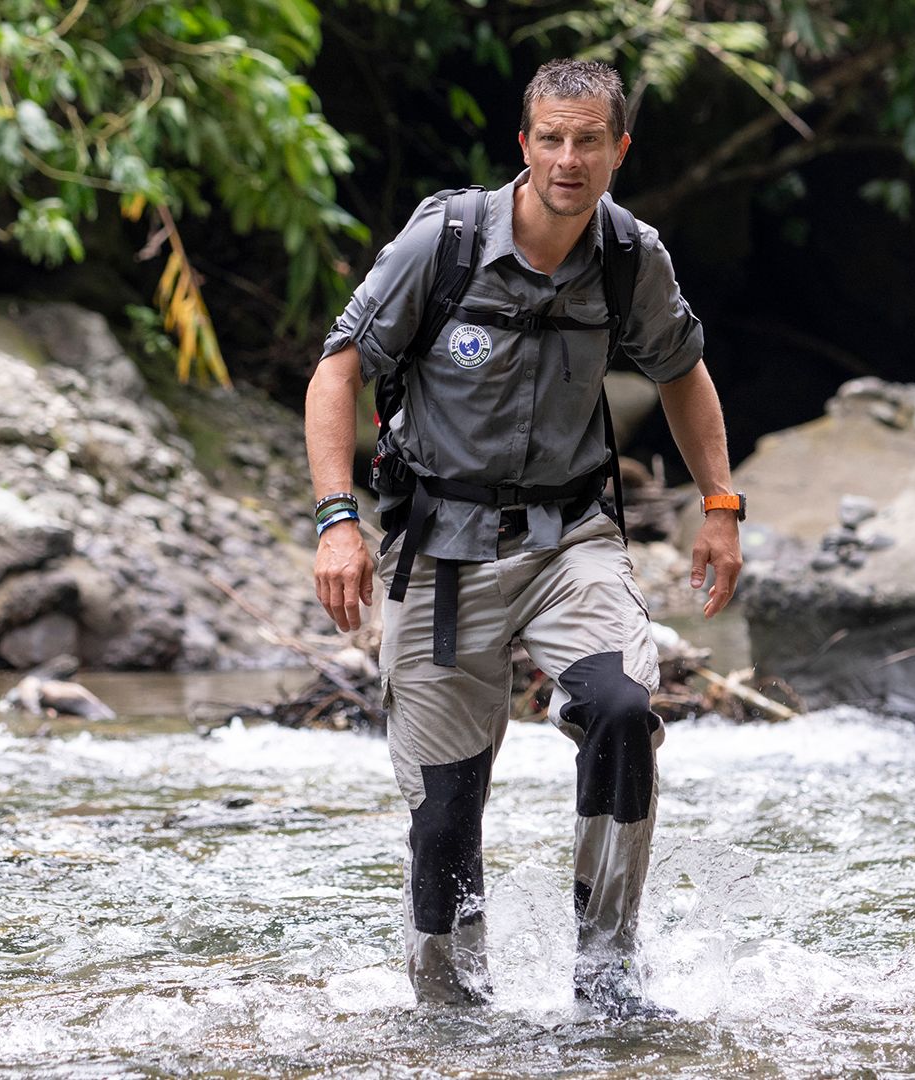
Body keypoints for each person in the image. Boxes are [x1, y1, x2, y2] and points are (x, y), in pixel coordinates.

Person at [303, 58, 743, 1017]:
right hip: (441, 549)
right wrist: (338, 521)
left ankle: (606, 969)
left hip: (569, 543)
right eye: (552, 137)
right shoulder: (446, 242)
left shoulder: (631, 256)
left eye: (590, 140)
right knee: (446, 817)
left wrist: (719, 505)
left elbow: (682, 369)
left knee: (623, 713)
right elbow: (337, 370)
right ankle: (455, 1017)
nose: (569, 159)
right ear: (525, 144)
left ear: (620, 149)